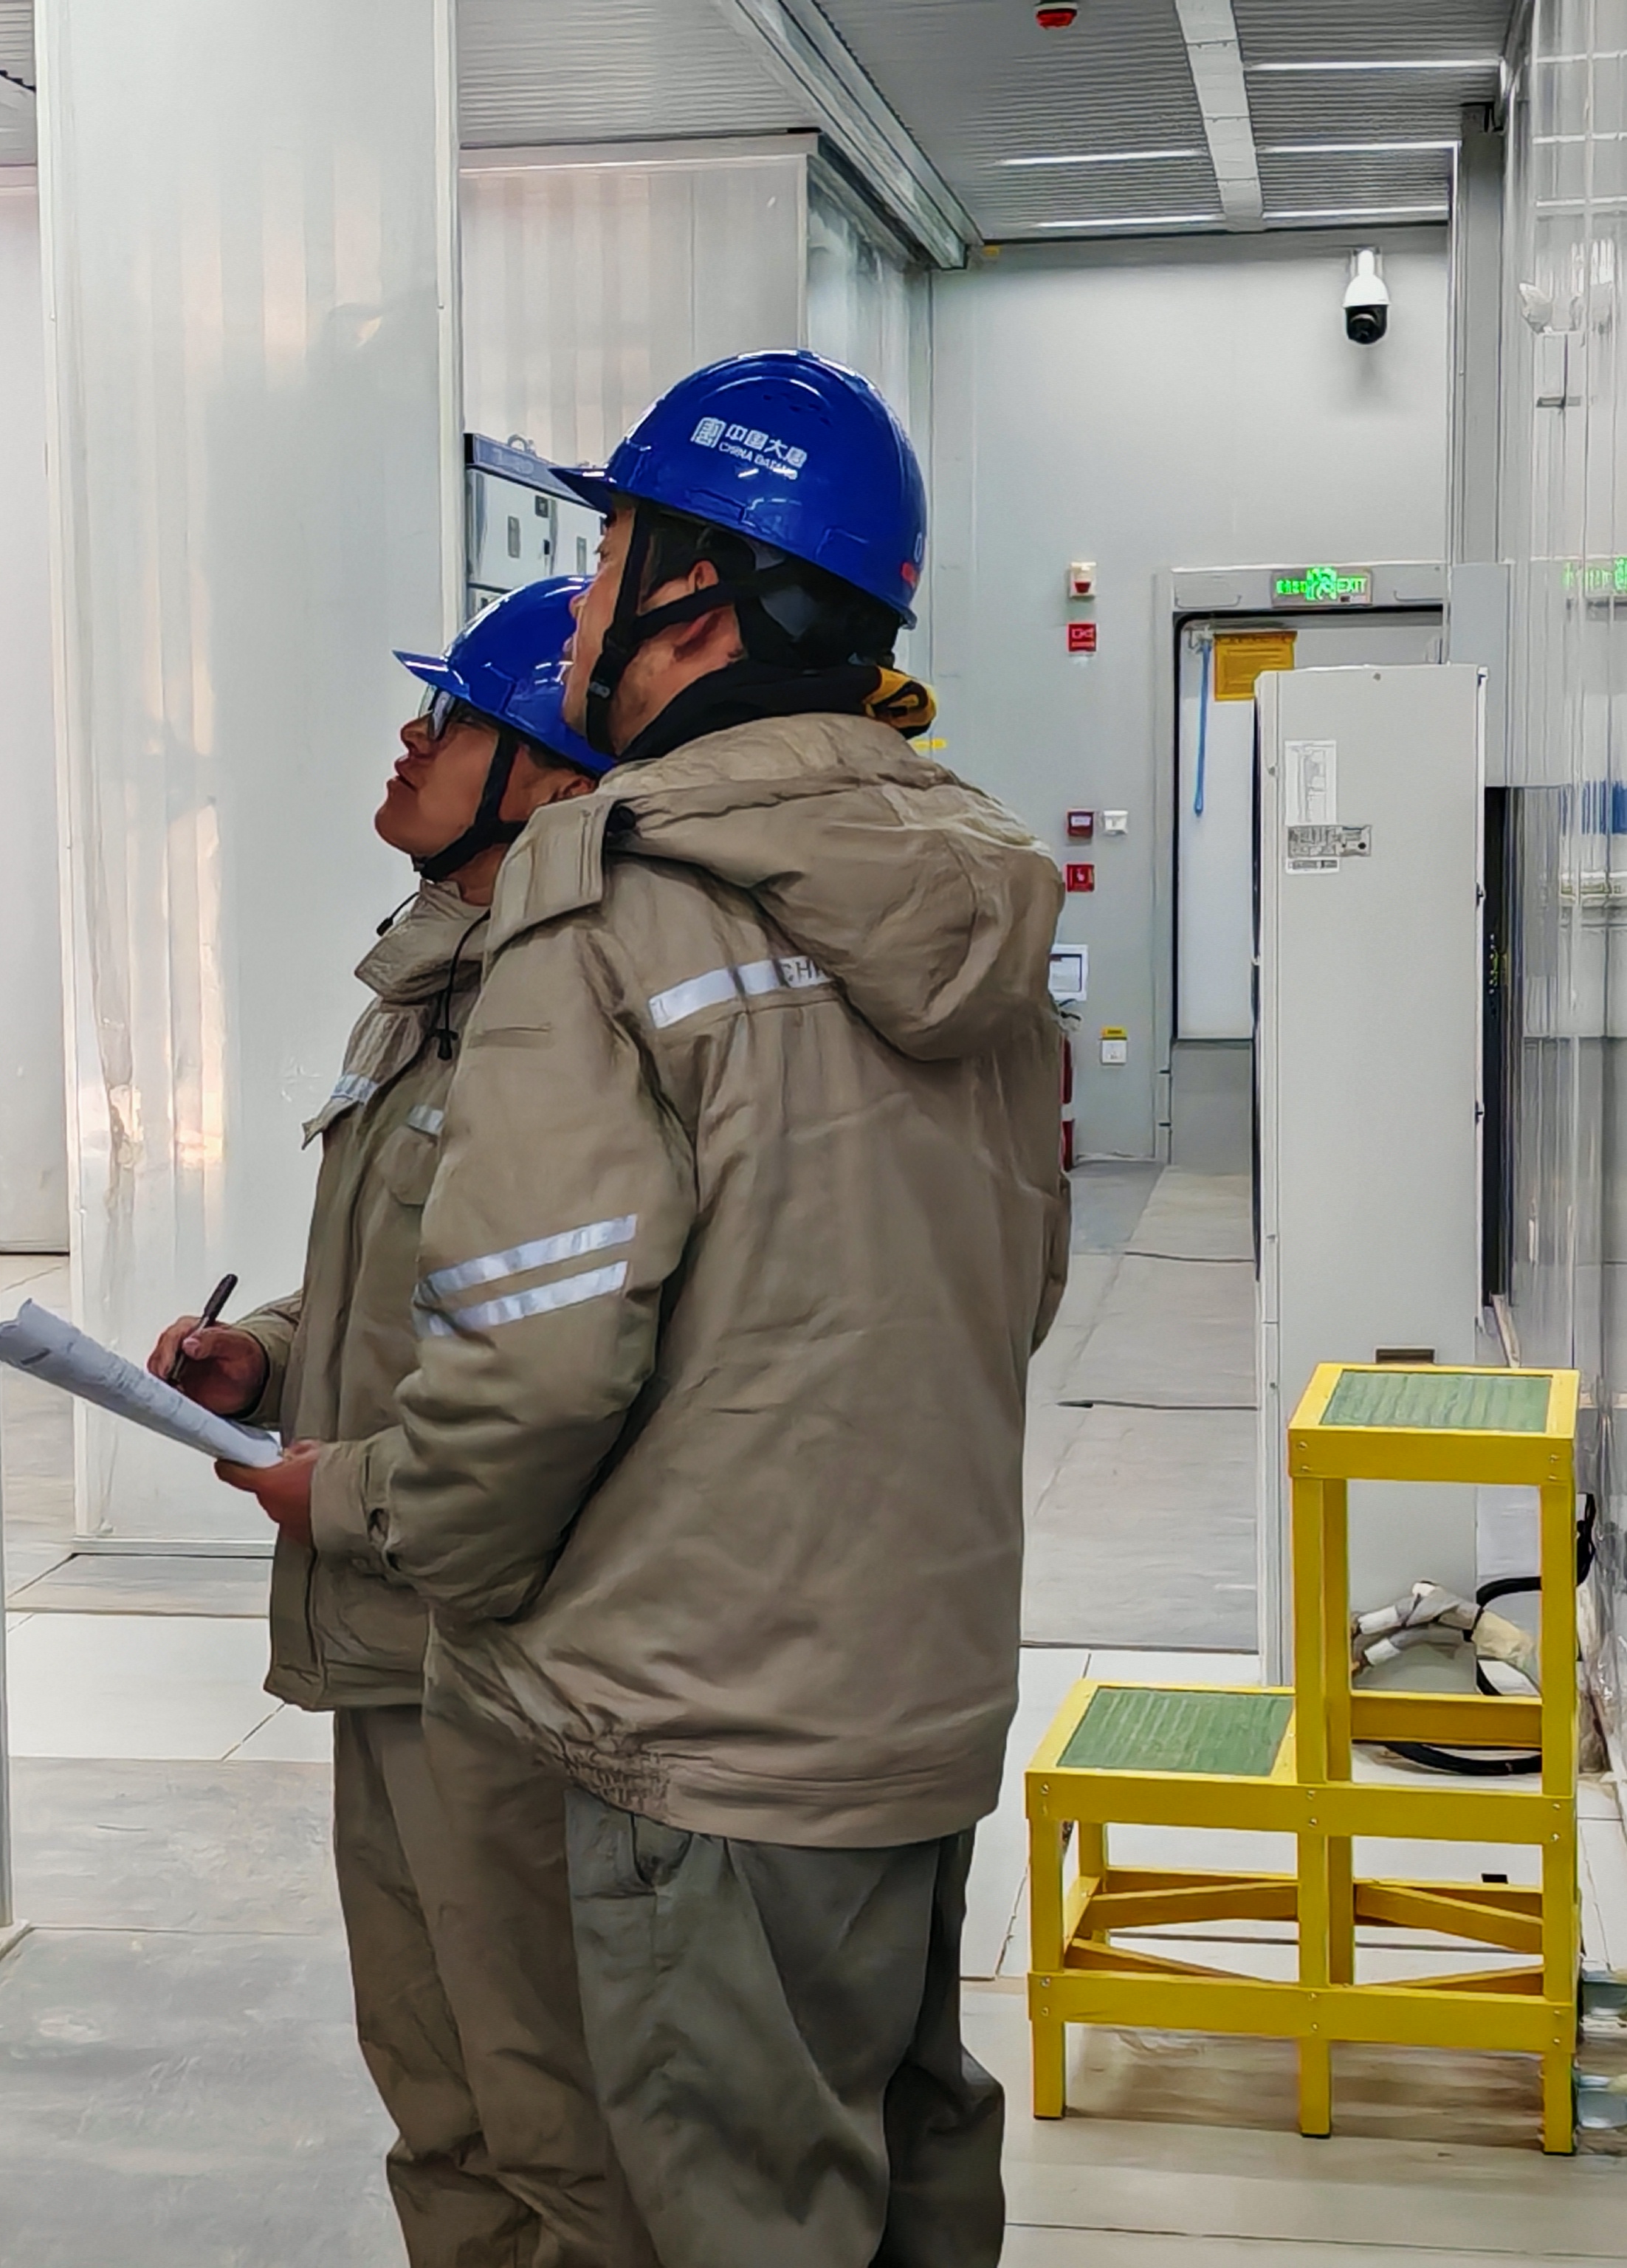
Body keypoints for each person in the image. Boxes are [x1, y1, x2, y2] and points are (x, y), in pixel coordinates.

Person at [278, 352, 1069, 2268]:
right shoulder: (973, 900)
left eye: (607, 544)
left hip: (682, 1734)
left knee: (679, 2212)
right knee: (893, 2191)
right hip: (903, 1711)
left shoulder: (612, 911)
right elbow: (1015, 1292)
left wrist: (401, 1541)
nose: (582, 594)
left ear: (695, 598)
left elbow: (537, 1368)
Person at [149, 579, 656, 2268]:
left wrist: (351, 1490)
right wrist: (265, 1357)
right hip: (384, 1632)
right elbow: (408, 1285)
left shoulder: (567, 1010)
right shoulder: (421, 987)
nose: (405, 741)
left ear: (549, 780)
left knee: (547, 2110)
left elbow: (577, 1367)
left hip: (498, 1646)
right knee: (433, 2092)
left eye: (447, 720)